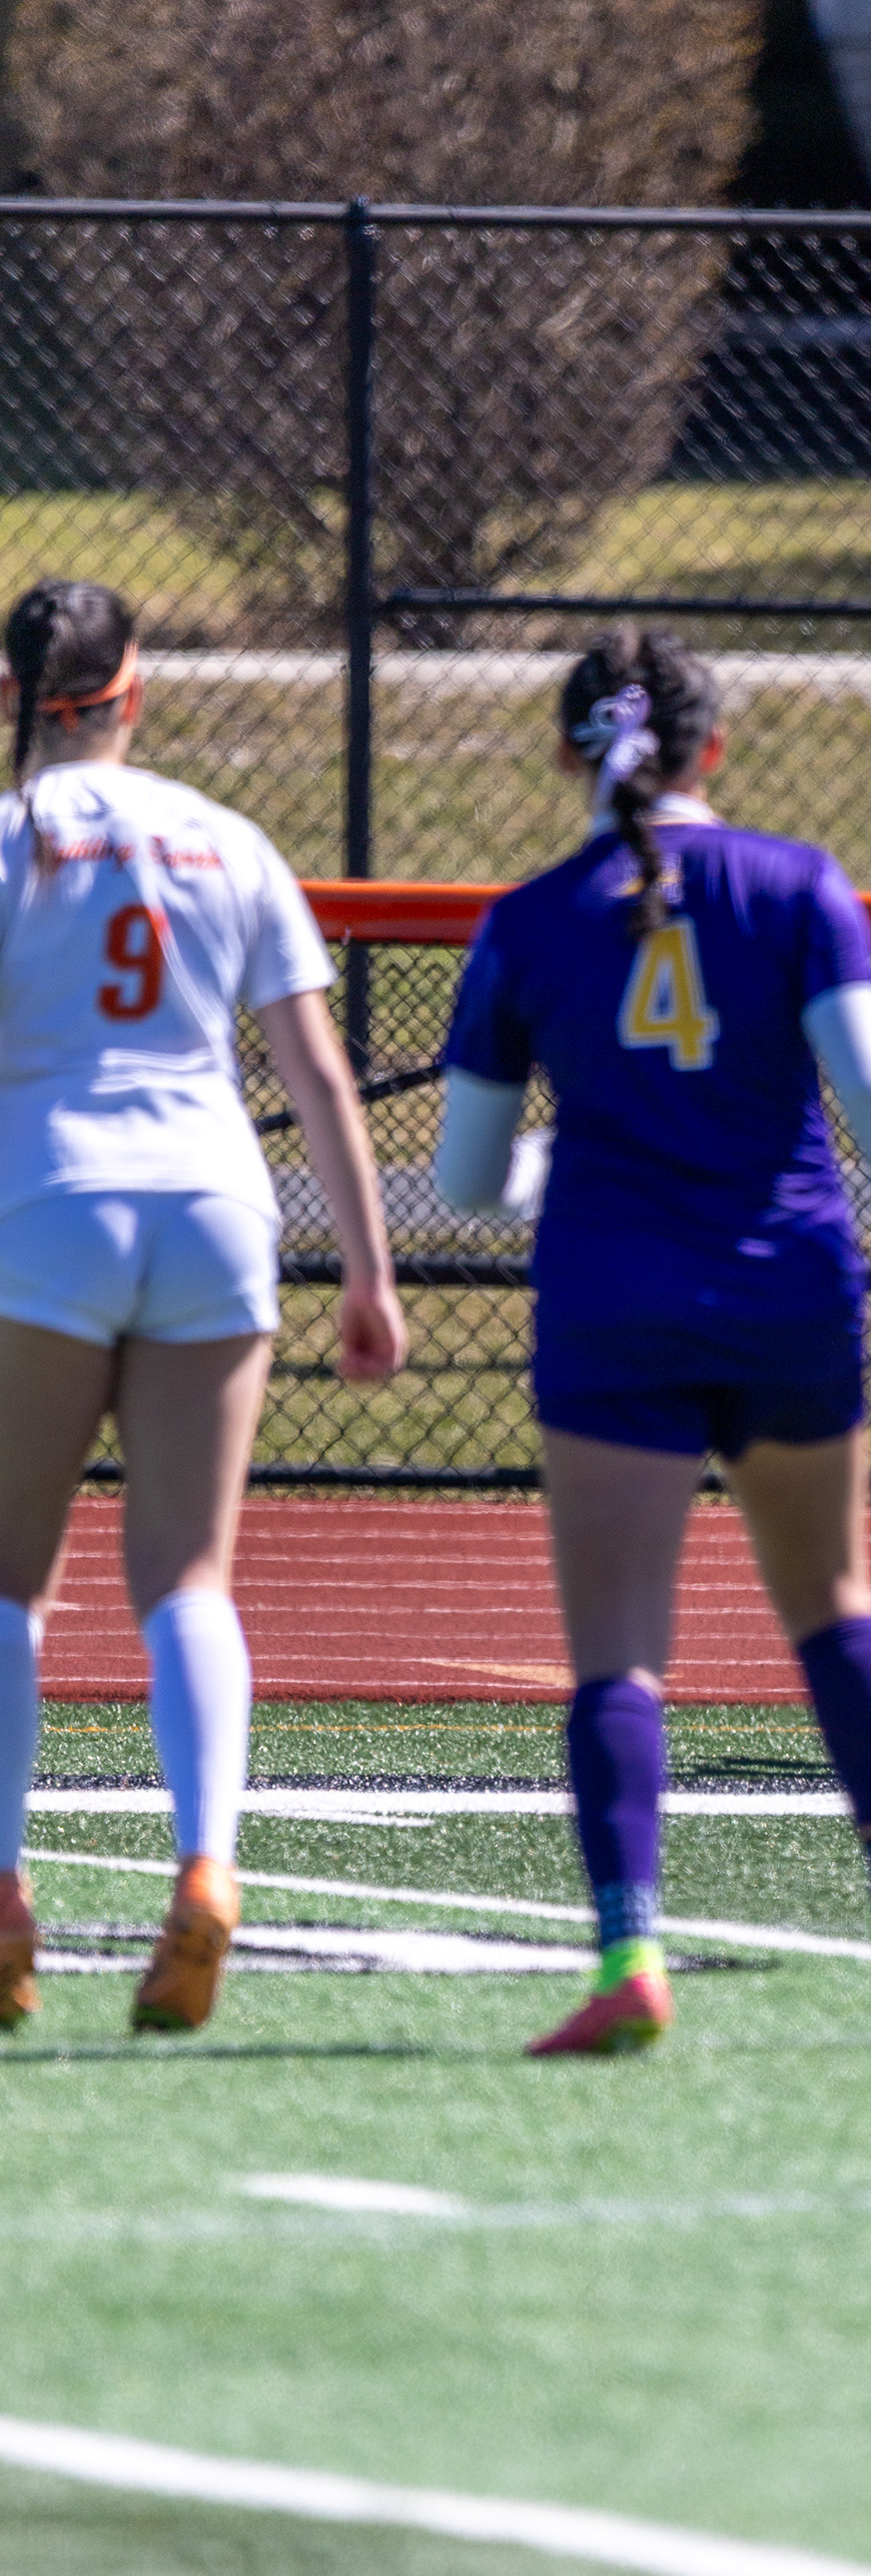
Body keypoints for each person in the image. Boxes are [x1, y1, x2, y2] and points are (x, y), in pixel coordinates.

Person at [434, 627, 871, 2056]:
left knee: (618, 1654)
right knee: (835, 1606)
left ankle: (631, 1953)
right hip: (788, 1284)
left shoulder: (528, 919)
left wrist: (575, 1168)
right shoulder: (798, 882)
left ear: (568, 753)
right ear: (715, 748)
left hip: (612, 1298)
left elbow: (466, 1178)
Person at [0, 578, 408, 2037]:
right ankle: (209, 1864)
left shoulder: (10, 840)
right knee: (189, 1577)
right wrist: (368, 1267)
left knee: (10, 1583)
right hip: (215, 1208)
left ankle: (3, 1889)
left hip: (49, 1202)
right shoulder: (226, 838)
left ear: (13, 696)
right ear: (134, 689)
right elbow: (317, 1074)